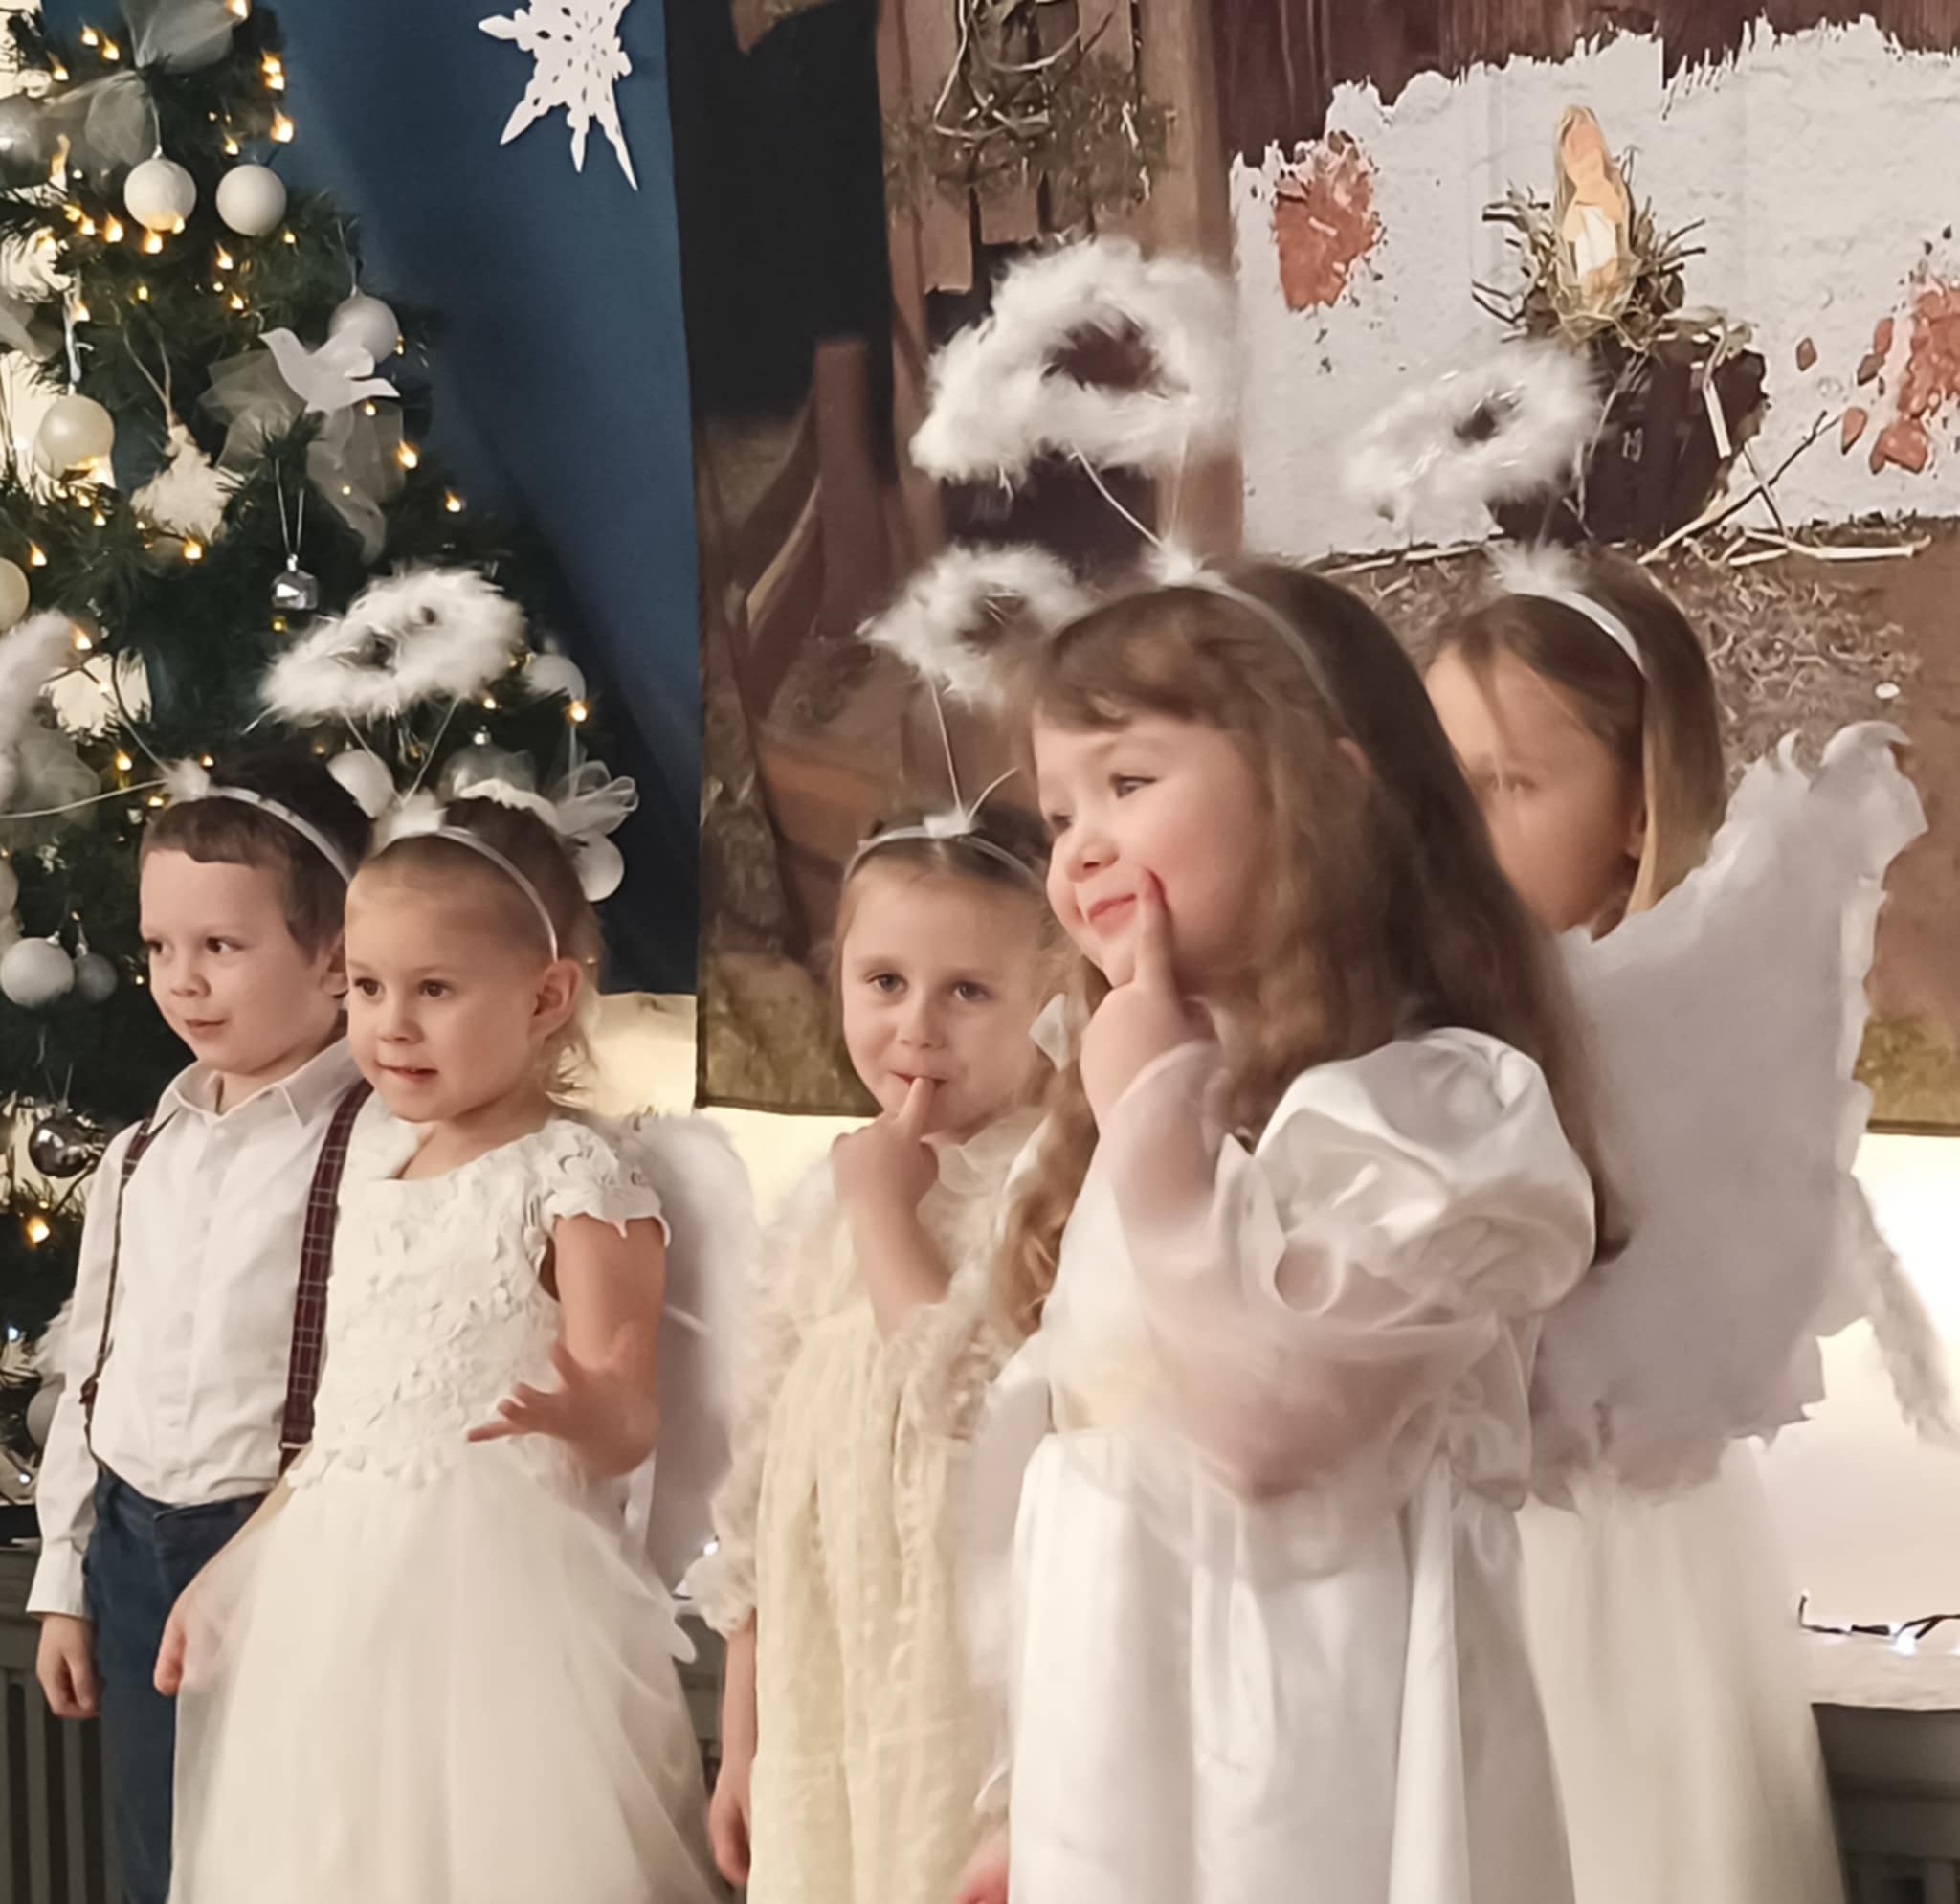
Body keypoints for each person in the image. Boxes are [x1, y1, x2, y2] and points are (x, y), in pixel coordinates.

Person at [963, 563, 1605, 1904]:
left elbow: (1269, 1432)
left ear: (1324, 792)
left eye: (1128, 783)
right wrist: (1032, 1804)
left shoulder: (1428, 1113)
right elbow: (1087, 1461)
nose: (1079, 847)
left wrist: (1151, 1112)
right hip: (1122, 1754)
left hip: (1314, 1745)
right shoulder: (1135, 1097)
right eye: (1059, 810)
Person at [1426, 548, 1901, 1904]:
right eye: (1433, 785)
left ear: (1636, 811)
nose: (1451, 831)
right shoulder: (1421, 1031)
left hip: (1603, 1569)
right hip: (1451, 1556)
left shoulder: (1657, 1028)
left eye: (1507, 785)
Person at [158, 791, 723, 1904]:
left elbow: (629, 1418)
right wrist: (232, 1572)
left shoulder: (576, 1178)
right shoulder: (377, 1163)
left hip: (492, 1604)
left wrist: (581, 1409)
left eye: (435, 990)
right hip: (331, 1592)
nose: (392, 1026)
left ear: (547, 996)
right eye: (369, 988)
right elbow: (342, 1424)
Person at [692, 800, 1053, 1904]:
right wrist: (743, 1742)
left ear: (1055, 1003)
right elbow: (756, 1493)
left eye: (968, 992)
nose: (916, 1028)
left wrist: (887, 1213)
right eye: (884, 982)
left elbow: (969, 1403)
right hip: (825, 1683)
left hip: (966, 1686)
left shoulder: (1043, 1190)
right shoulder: (817, 1206)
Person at [31, 753, 372, 1904]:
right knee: (163, 1864)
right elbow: (91, 1371)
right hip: (133, 1555)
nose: (182, 981)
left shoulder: (374, 1145)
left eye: (222, 946)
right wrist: (68, 1578)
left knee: (296, 1864)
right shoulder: (139, 1156)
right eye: (159, 947)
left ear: (334, 958)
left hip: (290, 1556)